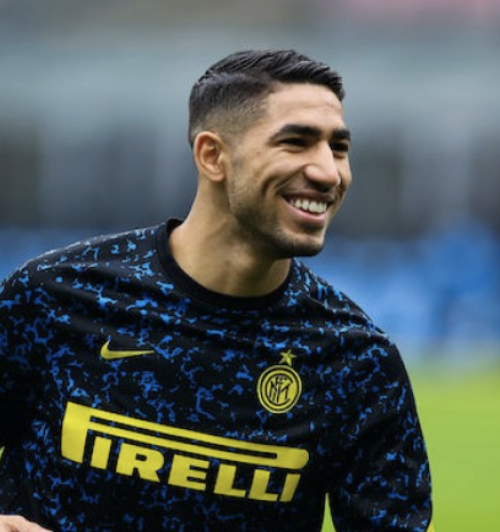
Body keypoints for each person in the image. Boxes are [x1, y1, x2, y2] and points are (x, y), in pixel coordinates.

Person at [0, 49, 434, 532]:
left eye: (338, 148)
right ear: (212, 156)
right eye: (296, 142)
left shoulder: (356, 360)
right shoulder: (54, 299)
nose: (328, 172)